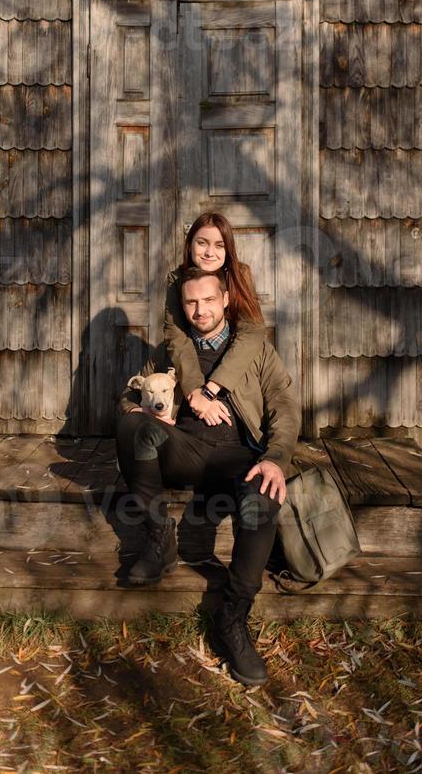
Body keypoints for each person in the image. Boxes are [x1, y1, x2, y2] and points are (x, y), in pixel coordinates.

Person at [116, 266, 301, 686]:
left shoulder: (254, 352)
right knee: (130, 424)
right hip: (185, 451)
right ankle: (158, 536)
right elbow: (128, 396)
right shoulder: (170, 353)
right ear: (182, 306)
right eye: (190, 303)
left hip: (240, 457)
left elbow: (284, 409)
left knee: (265, 492)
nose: (200, 310)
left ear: (225, 300)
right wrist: (138, 409)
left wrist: (276, 457)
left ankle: (233, 619)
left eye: (208, 300)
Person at [165, 212, 267, 426]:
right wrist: (196, 392)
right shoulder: (176, 279)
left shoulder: (240, 275)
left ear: (228, 249)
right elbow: (176, 335)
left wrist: (210, 390)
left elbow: (252, 332)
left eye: (219, 245)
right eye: (202, 243)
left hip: (230, 357)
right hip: (195, 356)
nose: (210, 252)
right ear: (190, 244)